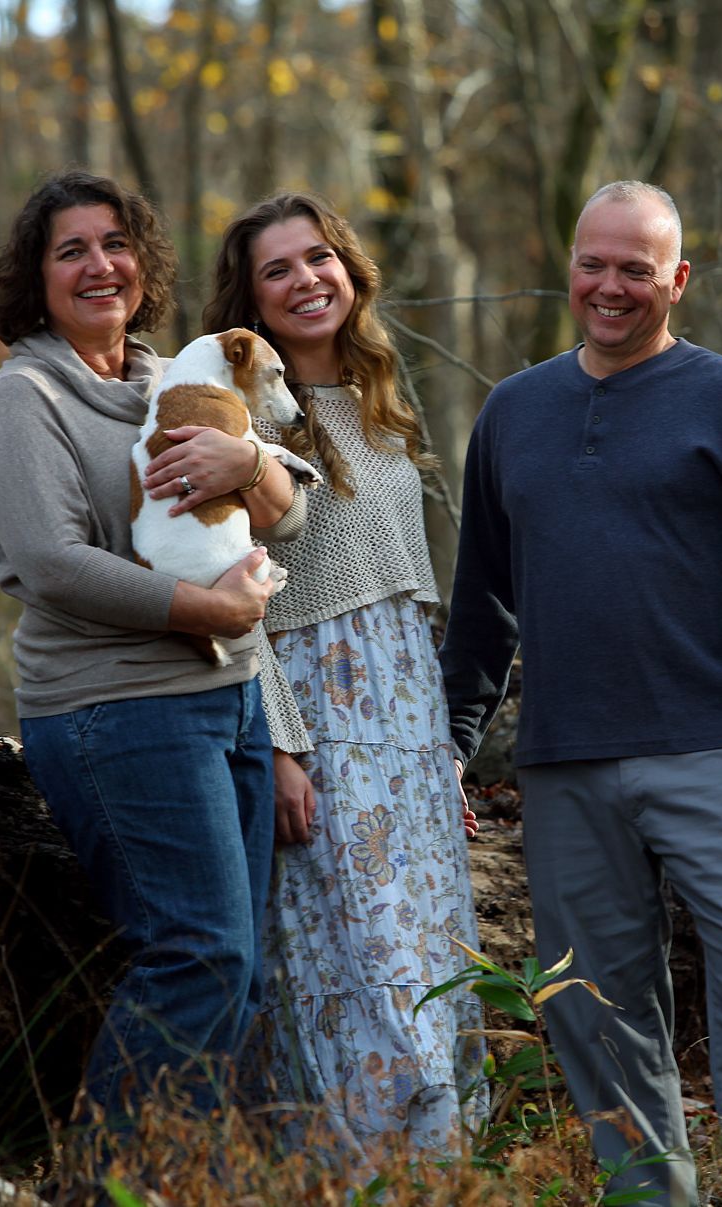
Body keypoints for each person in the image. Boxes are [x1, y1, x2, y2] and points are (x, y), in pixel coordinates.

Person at [439, 180, 722, 1207]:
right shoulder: (513, 411)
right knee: (593, 1004)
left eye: (637, 268)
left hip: (715, 750)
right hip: (565, 760)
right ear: (568, 265)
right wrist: (448, 742)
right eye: (594, 263)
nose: (611, 286)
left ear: (678, 279)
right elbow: (483, 602)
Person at [0, 169, 311, 1131]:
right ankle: (107, 1183)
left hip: (233, 703)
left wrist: (250, 463)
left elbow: (288, 521)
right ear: (35, 278)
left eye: (114, 243)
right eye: (69, 249)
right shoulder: (23, 396)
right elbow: (51, 563)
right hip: (116, 709)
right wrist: (208, 609)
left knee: (237, 973)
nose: (98, 265)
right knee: (196, 956)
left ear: (143, 261)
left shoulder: (176, 382)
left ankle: (190, 1176)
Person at [204, 191, 487, 1159]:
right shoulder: (235, 421)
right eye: (276, 270)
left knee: (428, 962)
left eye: (318, 258)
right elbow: (238, 599)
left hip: (409, 722)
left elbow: (413, 599)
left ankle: (438, 1170)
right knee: (352, 964)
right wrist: (279, 746)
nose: (304, 280)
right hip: (315, 718)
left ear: (350, 270)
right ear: (248, 301)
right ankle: (351, 1170)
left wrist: (442, 747)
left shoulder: (383, 399)